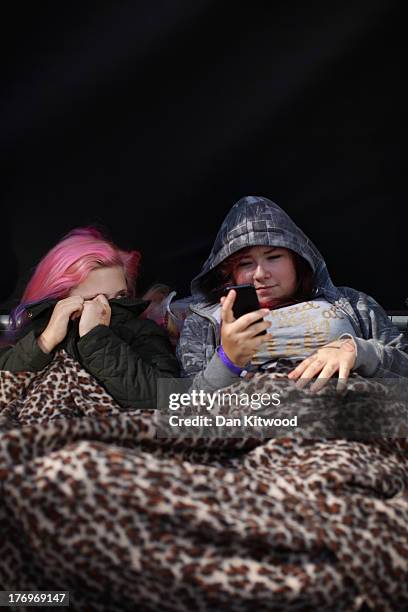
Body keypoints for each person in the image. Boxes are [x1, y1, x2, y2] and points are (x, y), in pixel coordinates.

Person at [177, 196, 408, 392]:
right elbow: (187, 408)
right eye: (245, 264)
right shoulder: (204, 321)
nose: (260, 274)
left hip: (351, 420)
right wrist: (227, 361)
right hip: (257, 428)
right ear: (230, 274)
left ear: (298, 261)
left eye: (274, 257)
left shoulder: (351, 303)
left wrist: (360, 351)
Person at [0, 227, 179, 409]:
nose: (105, 307)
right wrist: (46, 340)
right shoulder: (34, 328)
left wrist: (97, 339)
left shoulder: (143, 330)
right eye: (91, 299)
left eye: (119, 297)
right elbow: (4, 392)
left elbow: (169, 397)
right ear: (61, 302)